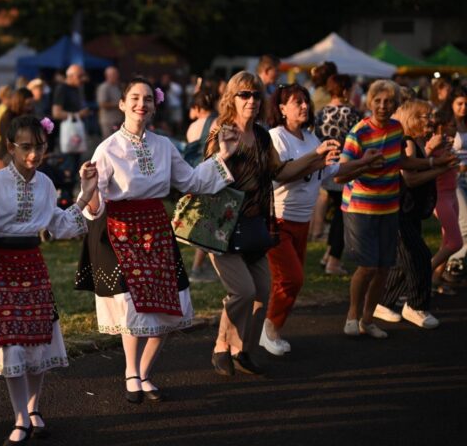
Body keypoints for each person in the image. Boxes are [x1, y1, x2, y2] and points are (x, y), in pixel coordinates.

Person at [76, 76, 240, 404]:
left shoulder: (164, 145)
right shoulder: (107, 149)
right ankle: (130, 374)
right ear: (122, 104)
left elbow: (193, 181)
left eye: (148, 98)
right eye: (134, 97)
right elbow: (95, 206)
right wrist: (87, 187)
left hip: (156, 229)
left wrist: (223, 155)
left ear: (154, 105)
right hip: (121, 232)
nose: (141, 103)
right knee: (132, 310)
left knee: (171, 311)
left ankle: (144, 372)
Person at [0, 115, 98, 445]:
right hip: (0, 265)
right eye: (25, 147)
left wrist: (85, 195)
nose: (33, 155)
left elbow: (60, 225)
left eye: (39, 146)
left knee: (39, 339)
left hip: (32, 263)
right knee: (11, 343)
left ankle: (34, 408)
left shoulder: (45, 184)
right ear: (10, 147)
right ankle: (21, 417)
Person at [205, 72, 339, 375]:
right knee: (242, 291)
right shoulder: (222, 132)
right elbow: (206, 177)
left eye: (255, 95)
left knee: (262, 291)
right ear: (231, 98)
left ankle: (244, 350)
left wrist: (316, 157)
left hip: (256, 227)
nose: (251, 100)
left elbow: (281, 172)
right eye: (244, 95)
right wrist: (222, 157)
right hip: (223, 227)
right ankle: (220, 346)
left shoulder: (264, 136)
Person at [261, 84, 382, 356]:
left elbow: (334, 174)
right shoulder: (275, 137)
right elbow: (281, 175)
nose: (304, 106)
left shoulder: (311, 138)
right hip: (277, 220)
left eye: (305, 101)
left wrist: (364, 162)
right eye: (296, 101)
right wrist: (315, 158)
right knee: (292, 279)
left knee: (285, 281)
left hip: (302, 222)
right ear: (281, 109)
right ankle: (269, 330)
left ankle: (260, 329)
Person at [339, 80, 454, 340]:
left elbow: (402, 161)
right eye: (377, 101)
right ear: (370, 103)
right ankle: (352, 315)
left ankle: (368, 320)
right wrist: (365, 163)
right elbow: (340, 173)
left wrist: (435, 160)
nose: (382, 106)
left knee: (383, 268)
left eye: (388, 101)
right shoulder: (359, 132)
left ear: (395, 104)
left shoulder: (396, 129)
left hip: (389, 206)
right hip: (361, 207)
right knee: (368, 267)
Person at [374, 100, 447, 329]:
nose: (431, 120)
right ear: (413, 118)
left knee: (403, 261)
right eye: (426, 116)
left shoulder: (417, 142)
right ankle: (416, 306)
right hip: (398, 209)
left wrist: (433, 152)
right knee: (419, 255)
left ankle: (383, 303)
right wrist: (438, 168)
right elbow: (410, 178)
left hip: (410, 209)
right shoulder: (406, 142)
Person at [314, 74, 363, 274]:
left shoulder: (320, 112)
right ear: (345, 91)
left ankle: (329, 256)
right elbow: (361, 139)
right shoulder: (352, 113)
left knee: (337, 215)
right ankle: (334, 260)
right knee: (342, 216)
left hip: (325, 167)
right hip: (344, 168)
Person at [185, 88, 220, 283]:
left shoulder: (193, 126)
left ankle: (203, 266)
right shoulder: (217, 123)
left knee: (206, 221)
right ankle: (197, 268)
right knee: (210, 222)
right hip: (212, 176)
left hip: (195, 176)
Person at [428, 106, 463, 294]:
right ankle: (424, 273)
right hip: (441, 197)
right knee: (456, 243)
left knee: (446, 241)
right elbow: (426, 168)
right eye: (451, 125)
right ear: (440, 126)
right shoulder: (432, 145)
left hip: (452, 193)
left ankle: (434, 280)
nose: (454, 129)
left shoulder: (448, 143)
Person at [446, 86, 467, 283]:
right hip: (454, 178)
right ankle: (453, 260)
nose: (463, 108)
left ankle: (454, 261)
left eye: (466, 104)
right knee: (464, 222)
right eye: (459, 104)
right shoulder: (445, 126)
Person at [0, 88, 33, 170]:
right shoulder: (8, 116)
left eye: (31, 104)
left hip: (19, 159)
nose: (30, 107)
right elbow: (8, 140)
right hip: (5, 158)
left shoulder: (27, 115)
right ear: (20, 102)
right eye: (28, 104)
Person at [96, 66, 123, 138]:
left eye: (117, 74)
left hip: (118, 120)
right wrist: (119, 105)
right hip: (108, 121)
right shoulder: (104, 87)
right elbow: (102, 104)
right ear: (108, 75)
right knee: (109, 144)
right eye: (114, 74)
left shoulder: (117, 86)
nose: (117, 76)